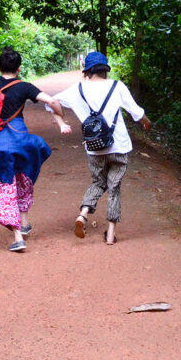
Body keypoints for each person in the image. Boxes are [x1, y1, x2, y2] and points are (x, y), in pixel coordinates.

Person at [0, 47, 71, 252]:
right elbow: (52, 101)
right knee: (21, 179)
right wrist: (62, 119)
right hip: (19, 142)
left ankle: (18, 236)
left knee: (2, 187)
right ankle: (24, 222)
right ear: (18, 69)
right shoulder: (24, 86)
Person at [47, 51, 152, 245]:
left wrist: (61, 122)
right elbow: (136, 113)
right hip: (119, 146)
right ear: (105, 69)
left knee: (98, 182)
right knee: (114, 187)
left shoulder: (77, 89)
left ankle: (83, 214)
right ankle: (111, 234)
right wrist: (146, 122)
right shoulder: (117, 86)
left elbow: (51, 103)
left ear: (87, 70)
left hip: (95, 147)